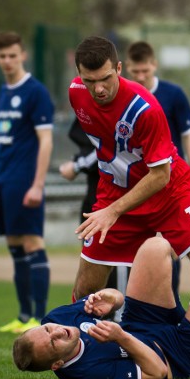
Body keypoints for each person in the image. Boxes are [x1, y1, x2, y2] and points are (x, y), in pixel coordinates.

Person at [67, 36, 190, 379]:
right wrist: (110, 203)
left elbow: (160, 175)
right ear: (79, 76)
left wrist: (113, 211)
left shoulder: (146, 108)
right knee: (85, 287)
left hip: (170, 191)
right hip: (116, 193)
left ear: (119, 69)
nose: (97, 89)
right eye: (90, 80)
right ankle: (79, 355)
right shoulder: (75, 93)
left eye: (105, 79)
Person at [12, 237, 190, 379]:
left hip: (140, 325)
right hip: (180, 358)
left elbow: (116, 299)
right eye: (53, 342)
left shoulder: (56, 319)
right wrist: (120, 337)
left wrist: (113, 299)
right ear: (57, 364)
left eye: (48, 329)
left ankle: (182, 313)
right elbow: (157, 372)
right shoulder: (86, 373)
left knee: (154, 247)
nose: (58, 331)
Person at [0, 31, 54, 334]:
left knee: (31, 243)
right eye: (2, 56)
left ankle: (41, 317)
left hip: (26, 180)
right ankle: (24, 315)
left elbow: (46, 141)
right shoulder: (3, 91)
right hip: (5, 181)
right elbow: (3, 143)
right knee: (14, 245)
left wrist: (37, 184)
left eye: (13, 55)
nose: (8, 61)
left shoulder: (36, 92)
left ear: (23, 55)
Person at [124, 40, 190, 200]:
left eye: (145, 70)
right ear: (127, 67)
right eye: (136, 71)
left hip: (172, 178)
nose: (140, 76)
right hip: (137, 182)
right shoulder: (123, 96)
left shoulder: (174, 94)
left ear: (154, 64)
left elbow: (189, 136)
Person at [58, 118, 128, 297]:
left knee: (117, 255)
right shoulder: (86, 104)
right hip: (96, 194)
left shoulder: (123, 109)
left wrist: (76, 166)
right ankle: (93, 312)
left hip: (114, 195)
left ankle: (120, 315)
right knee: (93, 254)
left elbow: (105, 146)